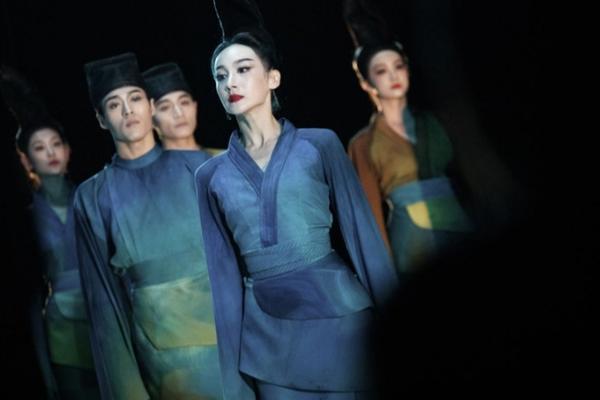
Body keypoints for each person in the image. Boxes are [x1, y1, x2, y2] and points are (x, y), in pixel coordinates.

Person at [194, 1, 398, 398]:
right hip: (268, 339)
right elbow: (223, 280)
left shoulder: (319, 145)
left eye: (243, 69)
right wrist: (234, 384)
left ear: (273, 77)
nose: (230, 82)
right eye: (220, 75)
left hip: (340, 318)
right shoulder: (210, 175)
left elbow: (364, 240)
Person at [74, 52, 222, 399]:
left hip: (229, 344)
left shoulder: (200, 167)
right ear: (101, 119)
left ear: (151, 106)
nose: (128, 111)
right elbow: (104, 305)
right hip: (164, 366)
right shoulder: (93, 196)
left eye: (135, 98)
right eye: (114, 104)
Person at [344, 0, 473, 274]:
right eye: (381, 71)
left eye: (398, 66)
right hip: (413, 239)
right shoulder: (364, 143)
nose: (393, 75)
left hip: (461, 224)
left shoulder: (438, 123)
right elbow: (370, 215)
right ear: (366, 82)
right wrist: (384, 272)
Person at [16, 118, 101, 400]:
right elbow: (30, 294)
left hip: (102, 313)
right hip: (59, 327)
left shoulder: (91, 199)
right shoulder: (26, 219)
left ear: (67, 150)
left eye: (55, 144)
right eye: (40, 148)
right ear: (27, 160)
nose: (51, 153)